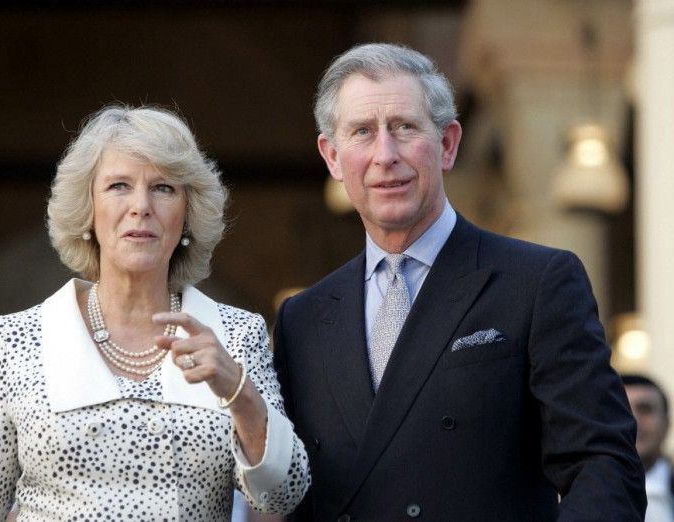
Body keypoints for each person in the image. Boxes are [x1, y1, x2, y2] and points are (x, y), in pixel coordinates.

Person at [273, 42, 646, 521]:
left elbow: (603, 463)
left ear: (447, 144)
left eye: (405, 128)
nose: (385, 154)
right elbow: (290, 493)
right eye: (362, 132)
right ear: (332, 157)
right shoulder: (303, 318)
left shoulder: (537, 282)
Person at [0, 104, 310, 521]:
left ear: (187, 215)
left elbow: (284, 495)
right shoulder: (21, 338)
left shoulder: (235, 335)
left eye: (164, 188)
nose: (141, 206)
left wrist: (239, 393)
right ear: (88, 211)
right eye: (118, 186)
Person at [623, 374, 674, 521]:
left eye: (645, 409)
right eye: (622, 409)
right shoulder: (569, 496)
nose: (633, 420)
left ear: (666, 425)